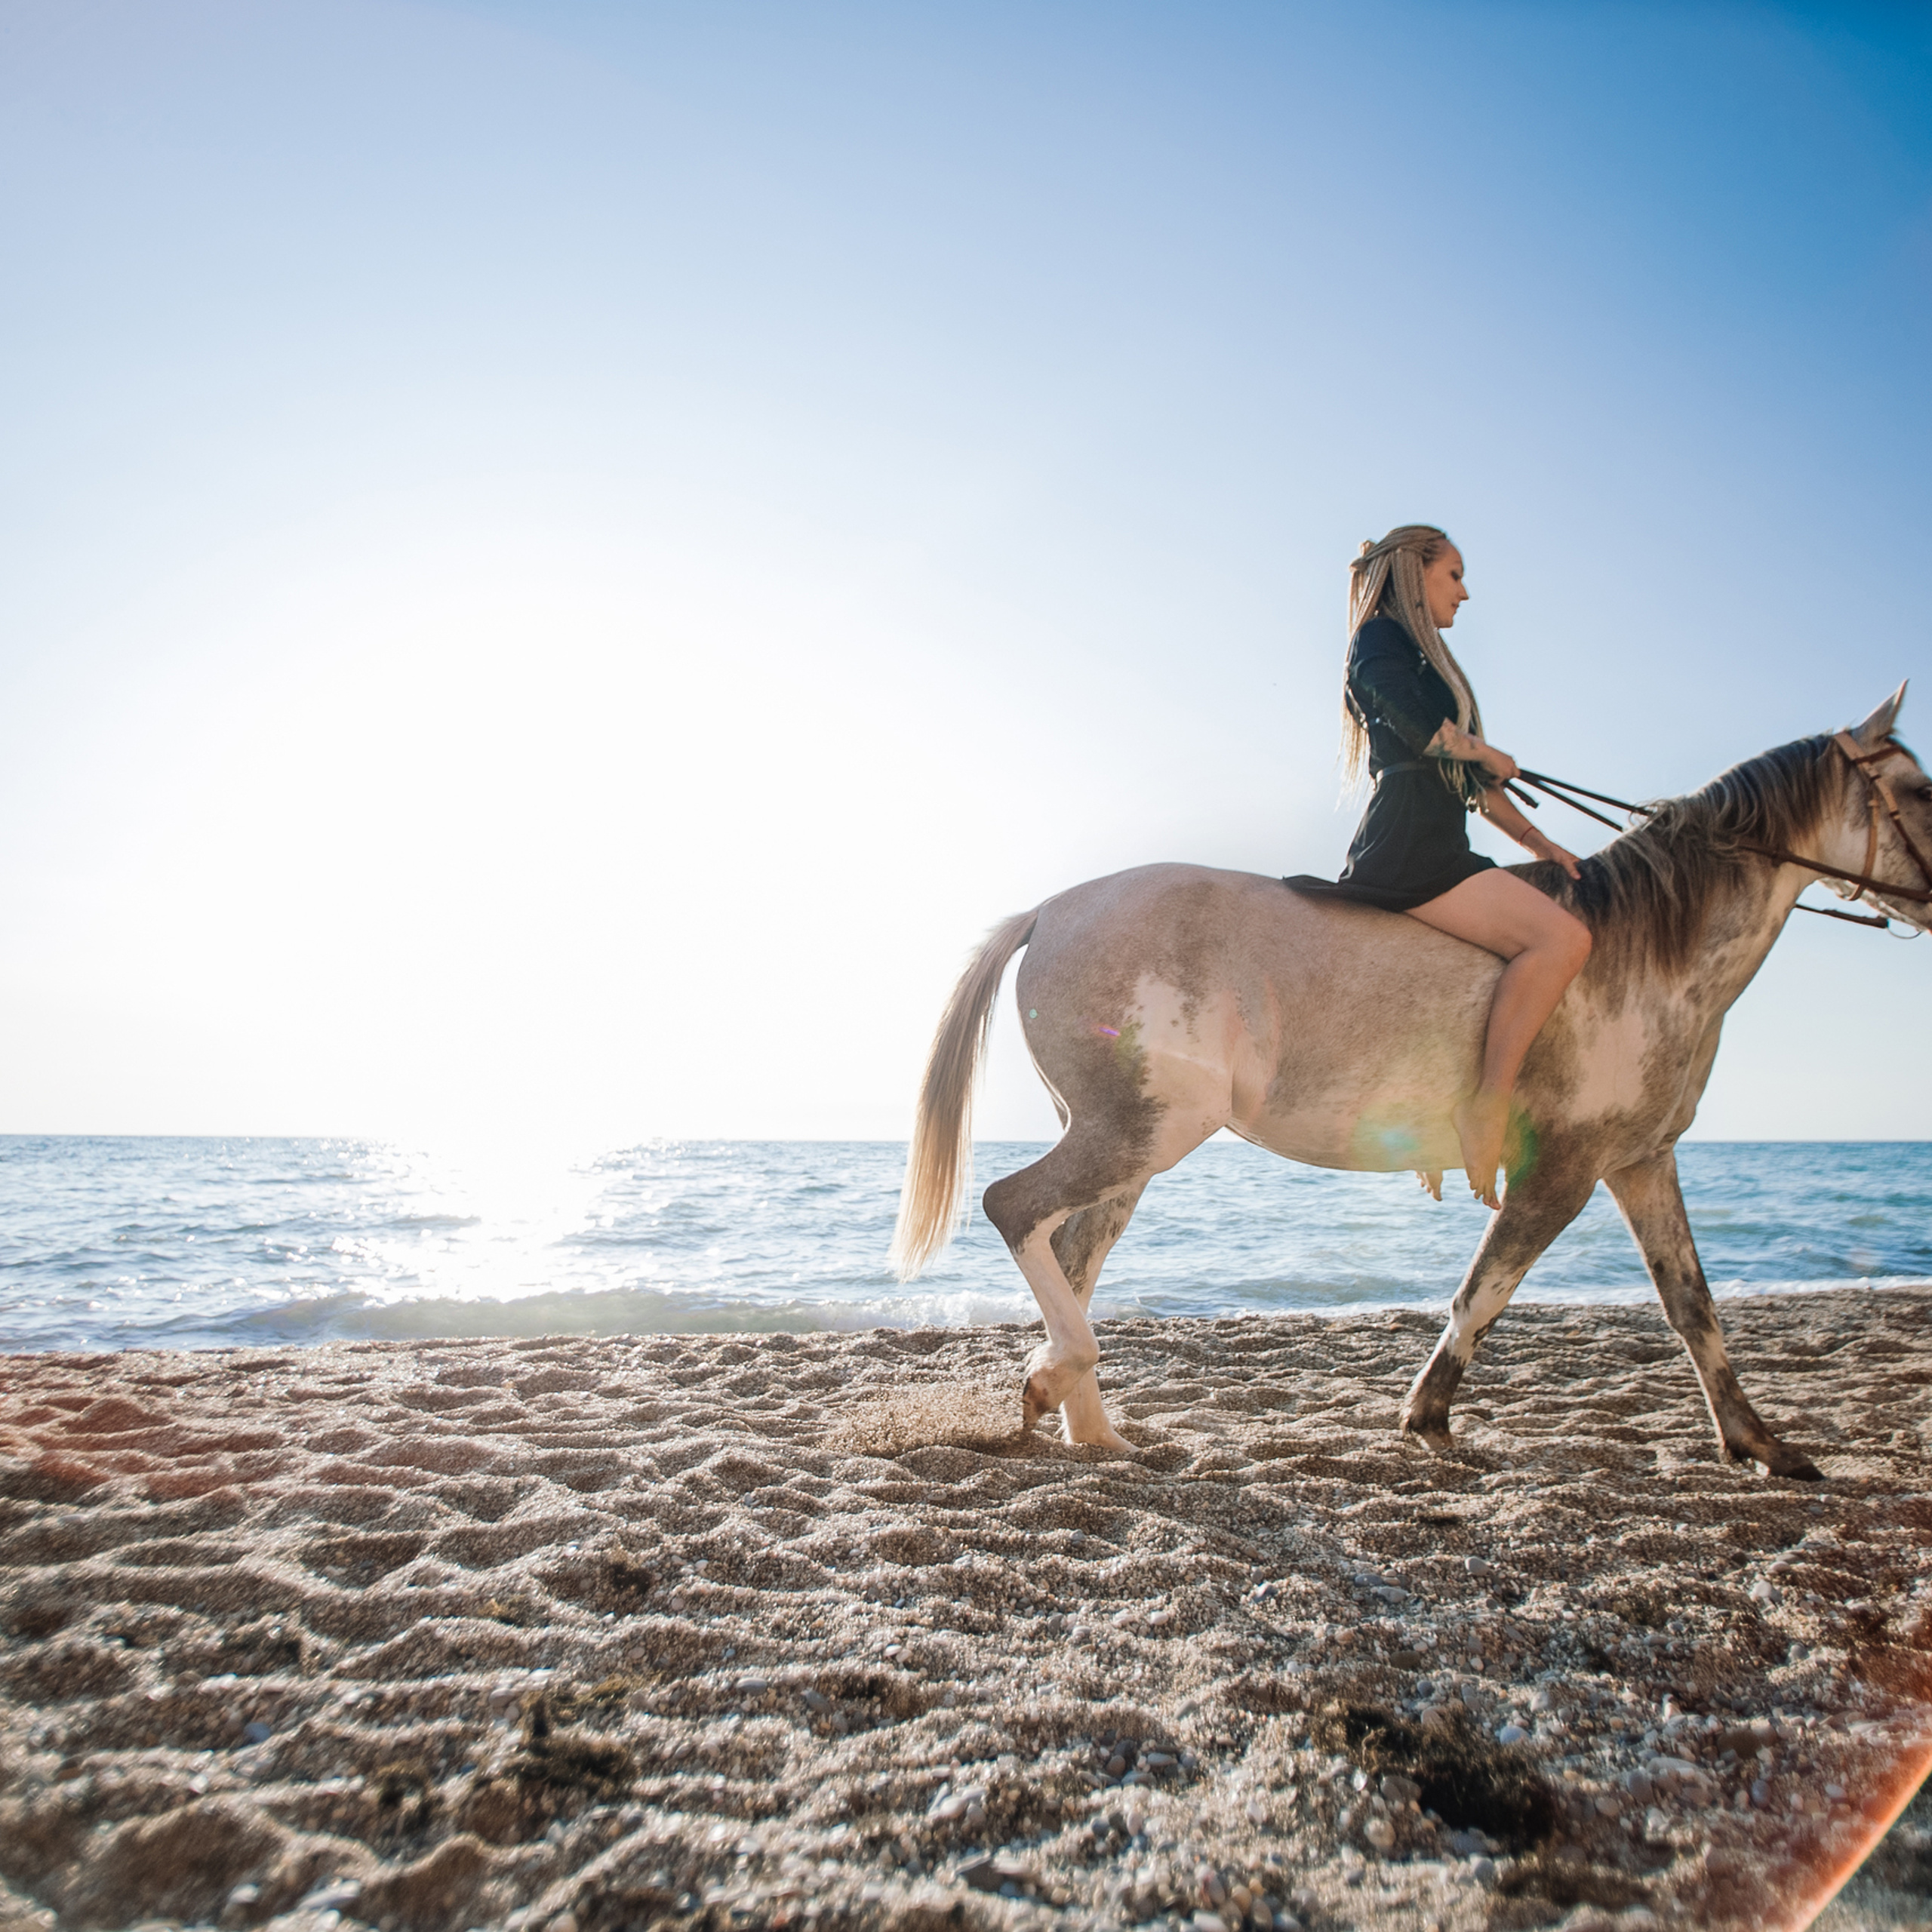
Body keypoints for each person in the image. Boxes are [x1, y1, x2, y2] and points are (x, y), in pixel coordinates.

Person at [1285, 524, 1592, 1208]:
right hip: (1411, 845)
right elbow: (1422, 732)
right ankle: (1487, 1106)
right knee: (1562, 941)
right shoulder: (1380, 640)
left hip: (1436, 840)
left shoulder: (1430, 660)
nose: (1464, 592)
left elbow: (1478, 790)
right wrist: (1484, 751)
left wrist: (1545, 847)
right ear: (1413, 573)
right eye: (1454, 574)